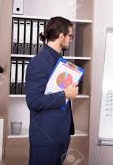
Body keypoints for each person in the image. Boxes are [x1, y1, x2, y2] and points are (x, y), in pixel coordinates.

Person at [25, 16, 78, 165]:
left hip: (60, 136)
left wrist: (70, 91)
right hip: (45, 139)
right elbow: (33, 101)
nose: (71, 39)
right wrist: (65, 95)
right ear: (61, 36)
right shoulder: (38, 62)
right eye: (70, 36)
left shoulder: (61, 62)